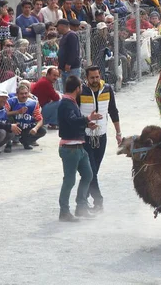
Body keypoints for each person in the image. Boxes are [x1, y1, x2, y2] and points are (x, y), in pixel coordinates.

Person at [58, 74, 102, 221]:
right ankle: (64, 211)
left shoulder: (70, 102)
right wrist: (88, 119)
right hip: (70, 148)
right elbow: (71, 120)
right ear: (77, 88)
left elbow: (73, 122)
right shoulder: (66, 103)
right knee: (69, 180)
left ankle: (81, 207)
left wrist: (86, 123)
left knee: (88, 175)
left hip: (78, 147)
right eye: (81, 86)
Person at [80, 66, 122, 212]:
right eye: (92, 78)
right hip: (85, 137)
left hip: (101, 136)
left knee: (93, 171)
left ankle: (82, 201)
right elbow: (76, 115)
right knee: (90, 171)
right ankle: (98, 202)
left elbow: (113, 111)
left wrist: (118, 133)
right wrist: (86, 122)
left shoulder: (108, 89)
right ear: (87, 78)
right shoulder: (81, 91)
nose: (95, 80)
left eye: (97, 77)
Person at [7, 84, 46, 149]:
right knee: (8, 119)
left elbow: (40, 119)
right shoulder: (11, 101)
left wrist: (35, 128)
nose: (24, 96)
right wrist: (17, 112)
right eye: (21, 94)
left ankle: (26, 141)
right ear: (17, 94)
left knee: (42, 131)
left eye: (26, 93)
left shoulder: (33, 103)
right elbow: (4, 114)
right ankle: (8, 144)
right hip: (14, 126)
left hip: (27, 127)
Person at [57, 19, 82, 84]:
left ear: (63, 26)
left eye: (58, 26)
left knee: (72, 88)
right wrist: (60, 66)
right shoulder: (64, 36)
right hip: (64, 68)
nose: (57, 28)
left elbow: (74, 51)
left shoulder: (71, 35)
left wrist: (69, 63)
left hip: (72, 68)